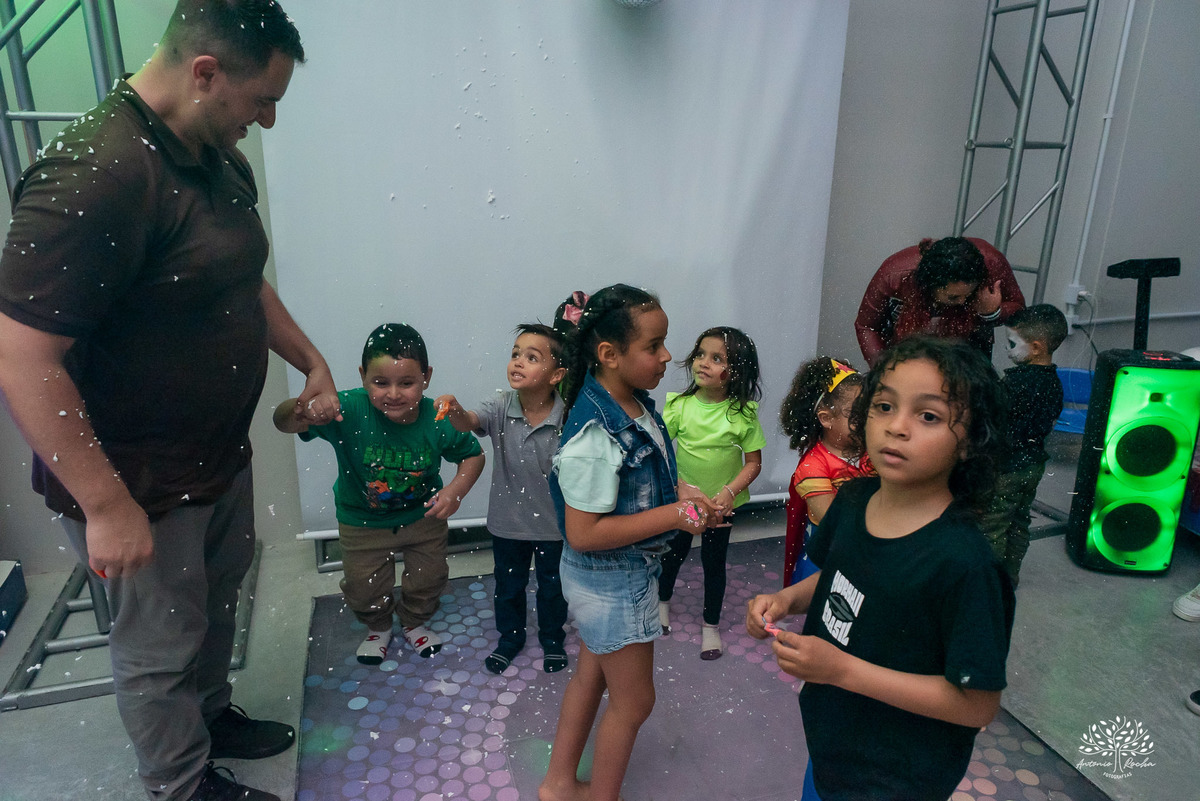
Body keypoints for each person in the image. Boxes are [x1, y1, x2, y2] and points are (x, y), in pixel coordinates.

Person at [0, 3, 330, 800]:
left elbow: (237, 275)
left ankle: (211, 718)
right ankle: (179, 786)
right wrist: (107, 506)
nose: (269, 121)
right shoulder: (99, 171)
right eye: (262, 101)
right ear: (206, 72)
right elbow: (21, 354)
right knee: (157, 643)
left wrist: (309, 359)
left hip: (214, 454)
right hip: (136, 479)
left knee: (215, 608)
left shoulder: (212, 150)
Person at [747, 336, 1015, 801]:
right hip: (832, 737)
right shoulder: (852, 501)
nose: (897, 427)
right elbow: (839, 576)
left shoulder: (966, 566)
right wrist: (787, 600)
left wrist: (842, 671)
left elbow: (977, 704)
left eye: (927, 415)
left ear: (971, 441)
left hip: (897, 772)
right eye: (885, 406)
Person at [539, 285, 718, 801]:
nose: (668, 357)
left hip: (615, 578)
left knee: (591, 679)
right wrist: (675, 515)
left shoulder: (632, 404)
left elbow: (640, 481)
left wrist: (681, 494)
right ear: (609, 355)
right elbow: (583, 532)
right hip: (613, 582)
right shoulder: (596, 434)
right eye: (655, 345)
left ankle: (557, 784)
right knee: (635, 703)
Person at [275, 323, 484, 664]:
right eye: (380, 382)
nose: (394, 394)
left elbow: (473, 455)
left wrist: (456, 491)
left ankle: (415, 622)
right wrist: (302, 409)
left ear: (426, 377)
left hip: (423, 518)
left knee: (429, 578)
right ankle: (378, 627)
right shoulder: (347, 409)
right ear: (362, 377)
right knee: (363, 586)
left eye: (407, 383)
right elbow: (282, 423)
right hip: (362, 522)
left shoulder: (437, 417)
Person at [434, 322, 570, 675]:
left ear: (556, 375)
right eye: (515, 354)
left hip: (555, 525)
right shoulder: (500, 405)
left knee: (553, 588)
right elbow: (468, 423)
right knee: (509, 586)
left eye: (531, 357)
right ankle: (510, 639)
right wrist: (455, 409)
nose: (518, 362)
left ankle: (552, 639)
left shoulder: (567, 416)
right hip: (508, 522)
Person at [657, 326, 765, 660]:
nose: (703, 362)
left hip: (721, 507)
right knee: (673, 554)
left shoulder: (743, 413)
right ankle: (661, 605)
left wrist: (729, 492)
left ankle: (710, 626)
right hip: (686, 504)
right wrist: (678, 488)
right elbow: (659, 452)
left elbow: (754, 463)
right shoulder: (680, 406)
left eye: (716, 358)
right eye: (701, 354)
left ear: (736, 371)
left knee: (713, 564)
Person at [978, 304, 1067, 585]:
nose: (1008, 350)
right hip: (1033, 465)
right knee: (1019, 520)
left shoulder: (1015, 384)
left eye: (1013, 343)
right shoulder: (1054, 382)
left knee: (992, 525)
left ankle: (988, 584)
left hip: (1006, 468)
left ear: (1037, 347)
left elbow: (993, 416)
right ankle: (1010, 576)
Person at [855, 236, 1025, 366]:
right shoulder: (894, 274)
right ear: (930, 285)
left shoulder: (992, 263)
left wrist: (992, 312)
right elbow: (867, 326)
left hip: (968, 350)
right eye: (953, 297)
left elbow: (1020, 311)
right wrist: (882, 370)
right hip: (906, 346)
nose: (961, 302)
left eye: (968, 295)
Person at [778, 357, 873, 586]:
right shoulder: (813, 468)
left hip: (866, 554)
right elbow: (836, 525)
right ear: (826, 418)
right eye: (857, 414)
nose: (869, 421)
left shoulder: (871, 453)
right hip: (828, 563)